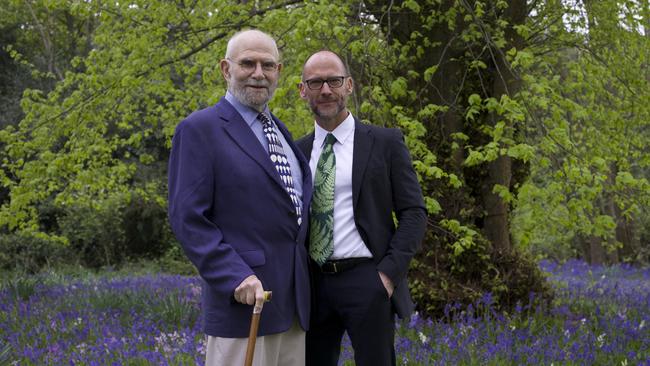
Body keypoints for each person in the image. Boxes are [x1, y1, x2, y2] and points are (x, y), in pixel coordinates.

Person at [167, 29, 312, 366]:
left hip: (293, 311)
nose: (259, 73)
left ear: (279, 71)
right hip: (244, 310)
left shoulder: (280, 131)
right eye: (248, 63)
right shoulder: (199, 129)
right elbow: (187, 218)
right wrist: (235, 276)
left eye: (268, 65)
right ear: (225, 68)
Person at [296, 50, 428, 366]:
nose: (325, 90)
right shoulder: (296, 152)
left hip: (368, 280)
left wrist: (388, 274)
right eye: (315, 83)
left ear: (350, 85)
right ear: (303, 91)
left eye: (334, 81)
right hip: (312, 285)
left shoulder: (385, 142)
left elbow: (414, 212)